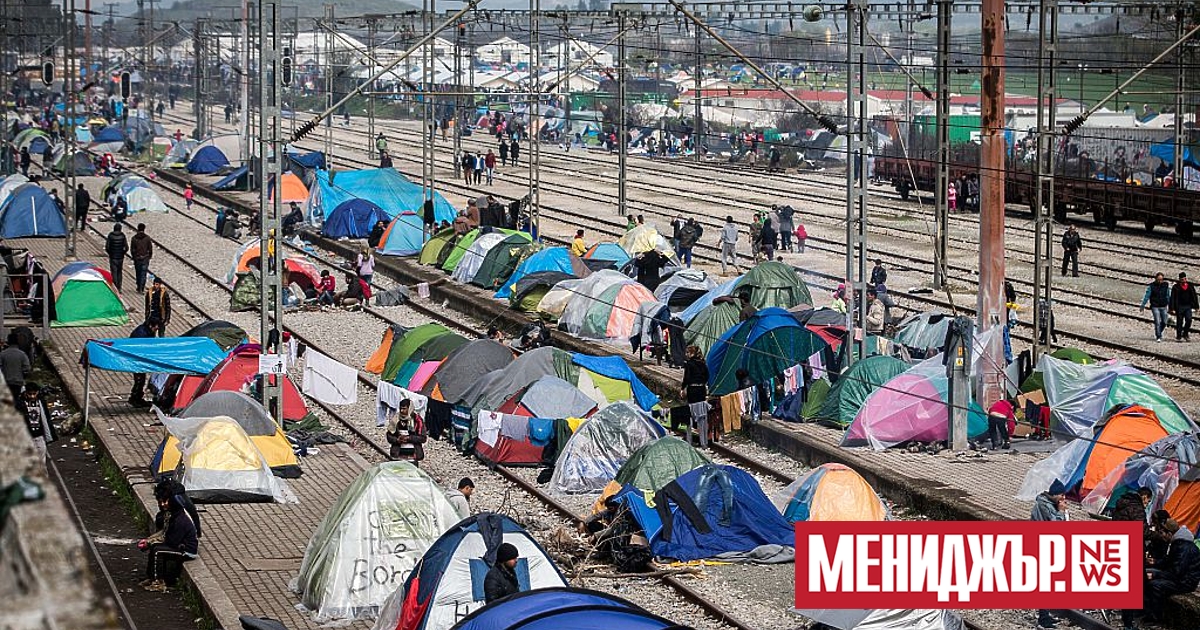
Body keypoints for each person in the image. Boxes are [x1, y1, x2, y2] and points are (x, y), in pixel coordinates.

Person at [1124, 518, 1200, 629]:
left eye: (1163, 533)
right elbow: (1169, 562)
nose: (1162, 536)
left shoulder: (1184, 547)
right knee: (1146, 573)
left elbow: (1176, 572)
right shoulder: (1178, 542)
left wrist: (1155, 575)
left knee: (1155, 585)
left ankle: (1155, 618)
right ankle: (1140, 609)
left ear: (1169, 533)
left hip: (1185, 582)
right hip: (1179, 577)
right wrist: (1155, 562)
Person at [138, 491, 199, 592]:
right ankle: (152, 577)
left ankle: (159, 582)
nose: (162, 504)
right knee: (154, 548)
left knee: (158, 551)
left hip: (186, 550)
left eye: (165, 501)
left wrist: (153, 542)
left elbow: (172, 542)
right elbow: (164, 531)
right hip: (177, 545)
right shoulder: (172, 515)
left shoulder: (181, 520)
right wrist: (149, 541)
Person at [1032, 480, 1067, 628]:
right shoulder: (1044, 506)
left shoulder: (1050, 504)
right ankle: (1043, 619)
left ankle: (1045, 613)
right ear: (1053, 494)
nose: (1063, 497)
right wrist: (1060, 512)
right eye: (1060, 494)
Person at [129, 317, 162, 406]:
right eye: (156, 327)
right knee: (139, 380)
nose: (157, 329)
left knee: (140, 379)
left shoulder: (146, 331)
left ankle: (136, 398)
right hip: (136, 360)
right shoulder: (141, 334)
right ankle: (135, 399)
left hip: (139, 359)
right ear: (151, 325)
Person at [21, 383, 55, 462]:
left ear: (37, 392)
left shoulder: (41, 403)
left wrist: (48, 436)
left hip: (39, 436)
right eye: (30, 394)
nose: (32, 396)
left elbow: (46, 419)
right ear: (26, 393)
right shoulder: (20, 404)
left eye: (34, 394)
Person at [386, 398, 427, 465]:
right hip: (398, 455)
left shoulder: (417, 420)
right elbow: (389, 436)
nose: (401, 411)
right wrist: (397, 440)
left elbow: (423, 438)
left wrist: (409, 438)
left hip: (413, 456)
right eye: (400, 408)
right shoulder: (395, 419)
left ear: (409, 408)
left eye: (404, 408)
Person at [681, 345, 709, 440]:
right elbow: (707, 376)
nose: (686, 354)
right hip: (701, 389)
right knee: (702, 413)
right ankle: (703, 438)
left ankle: (690, 438)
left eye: (687, 352)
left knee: (691, 412)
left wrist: (683, 388)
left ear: (692, 353)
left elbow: (687, 378)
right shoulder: (703, 363)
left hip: (692, 389)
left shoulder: (689, 363)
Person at [1, 332, 30, 404]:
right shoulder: (22, 354)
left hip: (5, 382)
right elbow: (27, 368)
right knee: (16, 400)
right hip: (18, 382)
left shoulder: (2, 354)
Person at [1141, 272, 1171, 342]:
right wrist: (1143, 305)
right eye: (1158, 280)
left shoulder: (1165, 285)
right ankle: (1158, 336)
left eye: (1161, 280)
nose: (1160, 281)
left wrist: (1171, 306)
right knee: (1157, 321)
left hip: (1163, 305)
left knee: (1164, 321)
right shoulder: (1151, 286)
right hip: (1155, 306)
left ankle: (1159, 331)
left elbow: (1168, 296)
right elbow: (1147, 296)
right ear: (1156, 279)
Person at [1170, 272, 1197, 342]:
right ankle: (1179, 336)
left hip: (1188, 306)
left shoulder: (1190, 286)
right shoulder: (1176, 287)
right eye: (1181, 279)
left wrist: (1196, 306)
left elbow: (1194, 296)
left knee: (1189, 319)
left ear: (1186, 279)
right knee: (1179, 322)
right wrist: (1172, 308)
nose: (1183, 280)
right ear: (1179, 280)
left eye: (1184, 279)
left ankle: (1185, 333)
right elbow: (1172, 297)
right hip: (1179, 306)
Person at [130, 223, 154, 293]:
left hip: (137, 259)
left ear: (138, 228)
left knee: (138, 273)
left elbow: (132, 250)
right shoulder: (147, 238)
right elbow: (150, 249)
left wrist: (134, 257)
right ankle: (142, 288)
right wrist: (149, 257)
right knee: (143, 273)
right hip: (145, 258)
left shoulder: (134, 238)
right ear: (144, 229)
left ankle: (138, 286)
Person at [105, 224, 128, 291]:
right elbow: (126, 247)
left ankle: (114, 286)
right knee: (119, 272)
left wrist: (110, 253)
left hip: (113, 257)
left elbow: (107, 247)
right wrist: (123, 253)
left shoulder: (110, 236)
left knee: (114, 272)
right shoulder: (122, 236)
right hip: (120, 257)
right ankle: (119, 287)